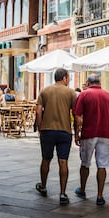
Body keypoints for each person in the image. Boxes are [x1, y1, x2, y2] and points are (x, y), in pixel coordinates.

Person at [72, 73, 109, 206]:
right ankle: (100, 195)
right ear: (100, 83)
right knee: (102, 165)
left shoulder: (84, 94)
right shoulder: (108, 95)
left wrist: (77, 133)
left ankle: (82, 189)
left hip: (88, 134)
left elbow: (77, 116)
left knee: (85, 163)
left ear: (88, 83)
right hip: (105, 134)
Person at [35, 68, 77, 205]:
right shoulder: (71, 93)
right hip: (65, 131)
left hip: (47, 130)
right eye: (68, 77)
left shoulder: (44, 91)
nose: (69, 80)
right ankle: (63, 193)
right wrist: (76, 131)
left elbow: (38, 112)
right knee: (63, 162)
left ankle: (43, 186)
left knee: (46, 159)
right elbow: (76, 115)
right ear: (64, 78)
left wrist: (40, 128)